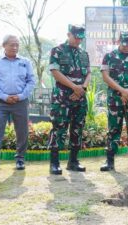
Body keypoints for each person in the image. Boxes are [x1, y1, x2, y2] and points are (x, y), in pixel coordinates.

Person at [47, 25, 91, 175]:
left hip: (80, 98)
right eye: (76, 36)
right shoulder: (57, 50)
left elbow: (89, 73)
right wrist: (74, 87)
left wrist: (82, 88)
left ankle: (73, 161)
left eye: (81, 37)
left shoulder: (84, 53)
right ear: (68, 34)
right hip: (62, 97)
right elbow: (55, 72)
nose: (78, 40)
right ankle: (54, 163)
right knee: (59, 129)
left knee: (77, 129)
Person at [100, 31, 128, 172]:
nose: (127, 47)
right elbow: (105, 76)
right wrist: (122, 90)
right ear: (119, 41)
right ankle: (110, 161)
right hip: (115, 98)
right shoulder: (109, 57)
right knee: (114, 128)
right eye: (125, 44)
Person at [0, 35, 36, 174]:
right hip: (1, 102)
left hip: (20, 102)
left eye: (17, 44)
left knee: (22, 132)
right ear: (4, 45)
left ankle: (20, 160)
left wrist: (21, 96)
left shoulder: (25, 62)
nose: (15, 47)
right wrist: (4, 96)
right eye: (12, 44)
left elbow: (31, 81)